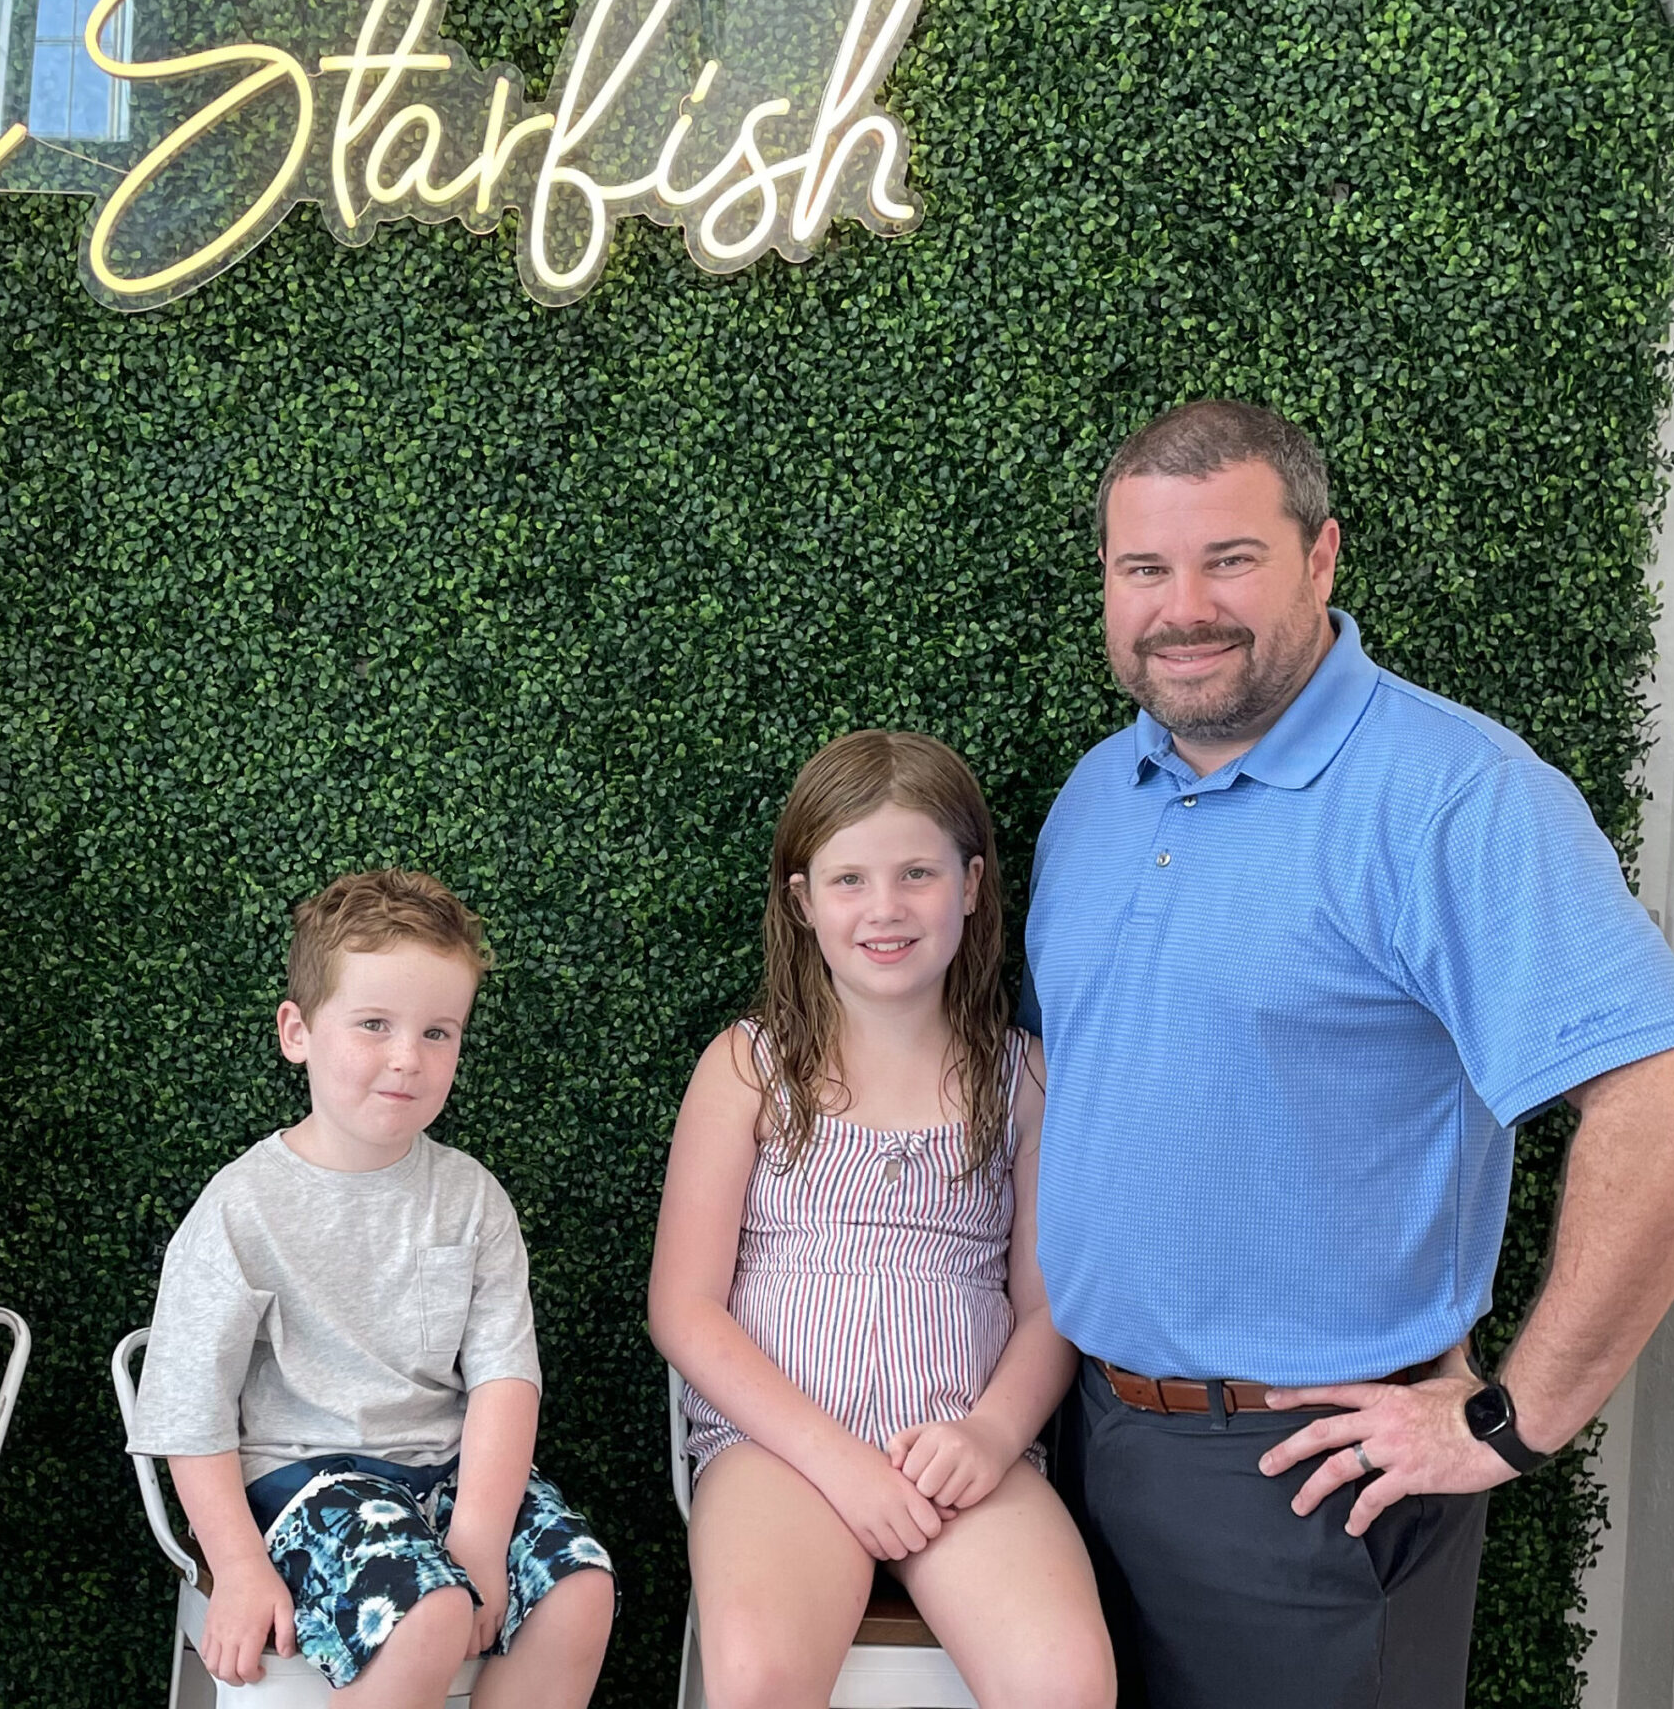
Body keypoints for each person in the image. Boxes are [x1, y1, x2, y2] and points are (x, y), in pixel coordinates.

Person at [1024, 400, 1674, 1707]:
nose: (1183, 606)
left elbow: (1671, 1097)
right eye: (1144, 568)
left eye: (1230, 558)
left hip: (1308, 1483)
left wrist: (1515, 1416)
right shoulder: (1093, 800)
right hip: (1092, 1448)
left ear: (1322, 557)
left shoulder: (1452, 794)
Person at [650, 730, 1114, 1709]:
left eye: (917, 873)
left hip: (960, 1451)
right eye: (850, 879)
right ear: (802, 899)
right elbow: (684, 1310)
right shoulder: (746, 1069)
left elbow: (1047, 1311)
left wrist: (988, 1436)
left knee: (1066, 1681)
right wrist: (839, 1464)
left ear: (973, 884)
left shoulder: (1023, 1079)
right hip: (779, 1451)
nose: (885, 908)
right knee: (762, 1676)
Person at [124, 870, 616, 1708]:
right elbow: (186, 1404)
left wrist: (482, 1542)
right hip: (304, 1485)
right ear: (298, 1031)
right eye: (375, 1025)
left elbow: (504, 1380)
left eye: (438, 1032)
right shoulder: (243, 1207)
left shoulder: (470, 1197)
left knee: (579, 1594)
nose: (407, 1058)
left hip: (451, 1477)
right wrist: (238, 1568)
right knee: (425, 1613)